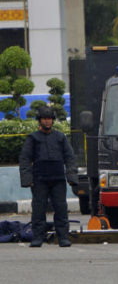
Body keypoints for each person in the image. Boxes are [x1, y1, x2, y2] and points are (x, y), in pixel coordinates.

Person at [19, 106, 78, 247]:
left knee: (61, 208)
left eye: (49, 119)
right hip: (39, 180)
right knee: (39, 209)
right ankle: (38, 237)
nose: (47, 122)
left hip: (58, 179)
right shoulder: (33, 138)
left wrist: (71, 177)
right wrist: (28, 180)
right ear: (39, 121)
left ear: (53, 121)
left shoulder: (60, 137)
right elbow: (25, 159)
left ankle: (63, 237)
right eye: (44, 119)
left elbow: (70, 158)